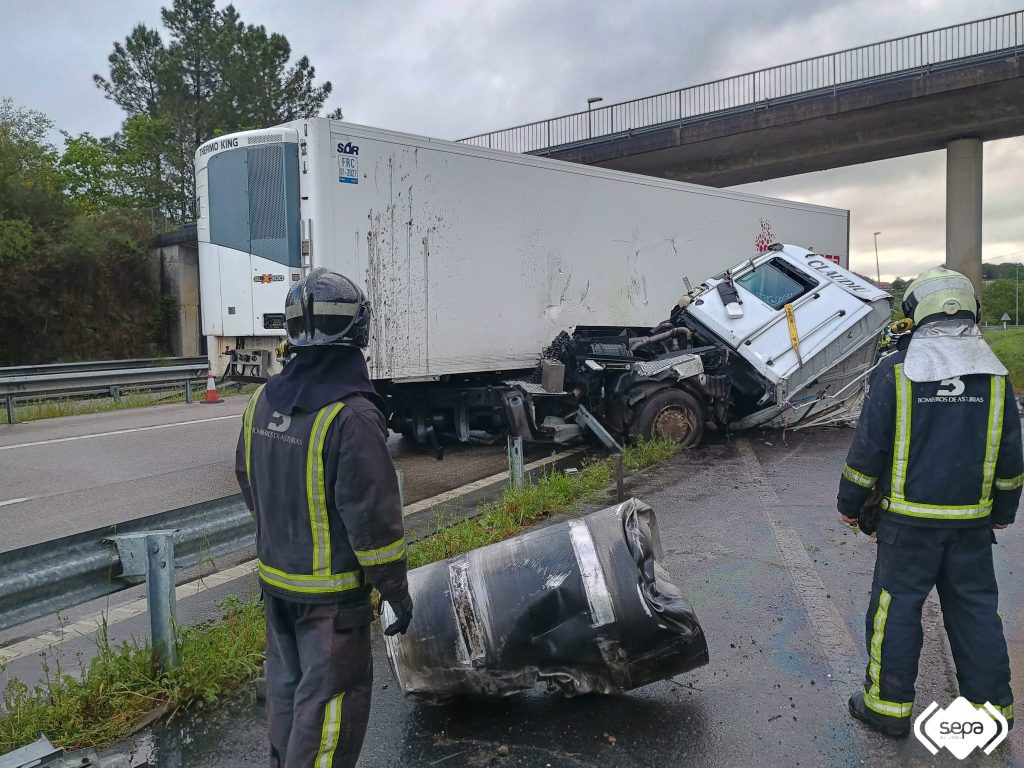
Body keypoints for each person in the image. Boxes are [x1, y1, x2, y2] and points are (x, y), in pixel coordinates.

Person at [236, 267, 413, 767]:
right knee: (330, 714)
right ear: (358, 334)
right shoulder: (351, 415)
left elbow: (250, 481)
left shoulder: (261, 401)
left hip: (278, 587)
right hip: (333, 604)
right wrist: (395, 591)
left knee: (288, 698)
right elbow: (374, 523)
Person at [838, 266, 1023, 738]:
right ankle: (990, 712)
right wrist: (1003, 512)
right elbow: (1011, 456)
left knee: (896, 608)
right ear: (975, 312)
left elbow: (868, 448)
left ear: (915, 314)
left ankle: (888, 708)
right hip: (970, 524)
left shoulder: (895, 371)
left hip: (907, 525)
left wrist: (851, 501)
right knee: (976, 609)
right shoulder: (996, 376)